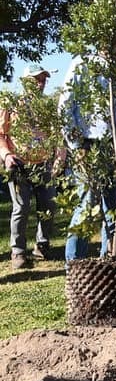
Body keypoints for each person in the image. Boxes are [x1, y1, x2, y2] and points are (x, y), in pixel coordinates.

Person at [59, 44, 116, 262]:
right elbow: (65, 107)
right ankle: (74, 265)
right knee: (87, 206)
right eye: (115, 39)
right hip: (89, 144)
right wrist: (77, 145)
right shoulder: (82, 65)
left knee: (115, 209)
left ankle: (109, 262)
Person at [0, 65, 62, 269]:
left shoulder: (49, 106)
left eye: (43, 79)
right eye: (37, 79)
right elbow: (2, 135)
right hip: (19, 165)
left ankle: (42, 245)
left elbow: (58, 135)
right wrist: (7, 156)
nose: (41, 83)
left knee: (49, 206)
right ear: (25, 81)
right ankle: (17, 251)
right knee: (21, 207)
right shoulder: (10, 105)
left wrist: (59, 157)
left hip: (44, 164)